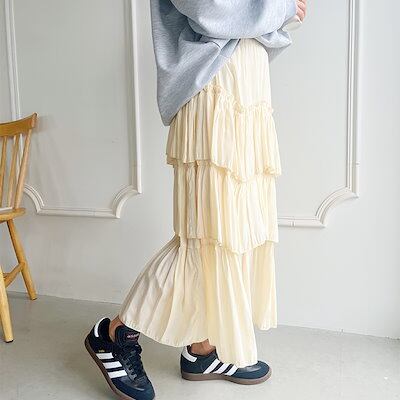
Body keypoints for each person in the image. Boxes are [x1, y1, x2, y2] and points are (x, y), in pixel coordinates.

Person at [84, 1, 307, 399]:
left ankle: (203, 348)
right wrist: (279, 6)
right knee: (206, 236)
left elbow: (250, 19)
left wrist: (280, 12)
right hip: (215, 90)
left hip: (247, 91)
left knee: (236, 229)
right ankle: (115, 334)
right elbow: (211, 8)